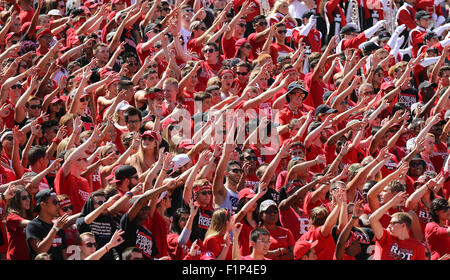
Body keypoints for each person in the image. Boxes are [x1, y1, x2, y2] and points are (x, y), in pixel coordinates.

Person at [369, 191, 427, 260]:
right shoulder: (385, 236)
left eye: (392, 223)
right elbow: (372, 220)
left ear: (403, 225)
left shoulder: (418, 246)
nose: (389, 225)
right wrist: (391, 203)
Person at [25, 189, 69, 260]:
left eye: (58, 202)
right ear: (43, 204)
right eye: (55, 202)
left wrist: (56, 227)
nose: (58, 206)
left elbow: (64, 255)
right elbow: (40, 251)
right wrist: (55, 229)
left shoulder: (58, 226)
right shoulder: (33, 226)